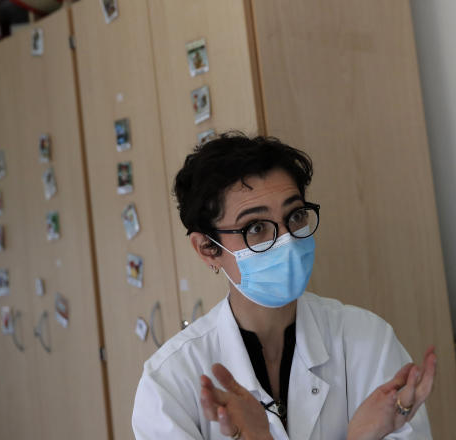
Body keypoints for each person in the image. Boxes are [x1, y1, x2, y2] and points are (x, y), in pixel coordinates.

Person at [132, 133, 435, 439]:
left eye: (295, 216)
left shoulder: (367, 340)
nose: (287, 240)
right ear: (208, 249)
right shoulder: (170, 382)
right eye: (256, 227)